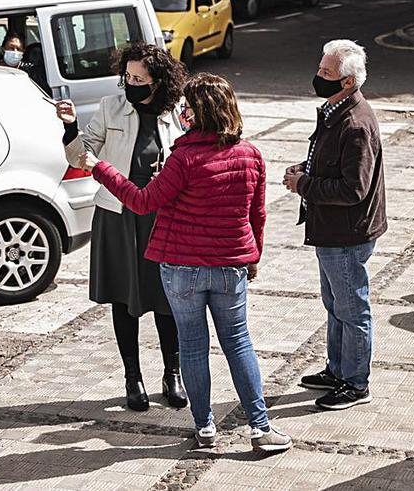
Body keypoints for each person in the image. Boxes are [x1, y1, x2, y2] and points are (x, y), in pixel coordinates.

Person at [80, 73, 293, 453]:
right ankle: (260, 428)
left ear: (197, 113)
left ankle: (205, 427)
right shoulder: (250, 154)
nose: (182, 112)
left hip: (181, 268)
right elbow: (257, 215)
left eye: (187, 107)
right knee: (239, 343)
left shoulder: (184, 158)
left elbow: (143, 201)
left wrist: (102, 168)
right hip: (231, 266)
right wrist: (254, 257)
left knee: (193, 347)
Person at [56, 45, 188, 413]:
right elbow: (79, 157)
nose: (129, 84)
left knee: (167, 297)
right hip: (118, 215)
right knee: (124, 299)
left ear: (158, 82)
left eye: (138, 79)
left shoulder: (177, 113)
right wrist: (69, 127)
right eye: (126, 77)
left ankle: (172, 374)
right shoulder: (110, 107)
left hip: (163, 216)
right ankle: (134, 378)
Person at [284, 40, 387, 411]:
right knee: (335, 304)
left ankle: (356, 383)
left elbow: (353, 189)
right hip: (331, 230)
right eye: (320, 69)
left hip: (346, 233)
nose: (318, 77)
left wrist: (304, 185)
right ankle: (337, 369)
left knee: (351, 308)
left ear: (347, 82)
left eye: (326, 74)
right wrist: (305, 171)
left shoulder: (356, 123)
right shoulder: (336, 111)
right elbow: (333, 164)